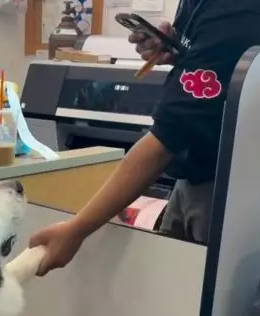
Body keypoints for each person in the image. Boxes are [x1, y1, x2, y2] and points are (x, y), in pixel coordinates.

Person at [30, 0, 260, 276]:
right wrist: (177, 48)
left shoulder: (235, 12)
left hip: (224, 184)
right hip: (188, 172)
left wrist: (76, 229)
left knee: (195, 288)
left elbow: (164, 140)